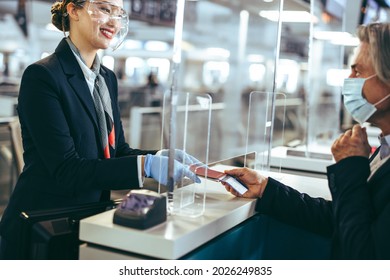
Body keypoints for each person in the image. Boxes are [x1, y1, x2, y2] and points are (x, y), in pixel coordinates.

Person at [0, 0, 199, 259]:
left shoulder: (106, 78)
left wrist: (159, 155)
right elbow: (66, 169)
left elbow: (115, 151)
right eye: (105, 9)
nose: (114, 22)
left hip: (90, 219)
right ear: (73, 10)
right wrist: (145, 166)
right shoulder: (43, 76)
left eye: (118, 13)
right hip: (43, 225)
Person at [222, 22, 390, 259]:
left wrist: (351, 168)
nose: (349, 78)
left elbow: (364, 255)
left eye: (359, 71)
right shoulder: (385, 150)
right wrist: (267, 188)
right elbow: (345, 218)